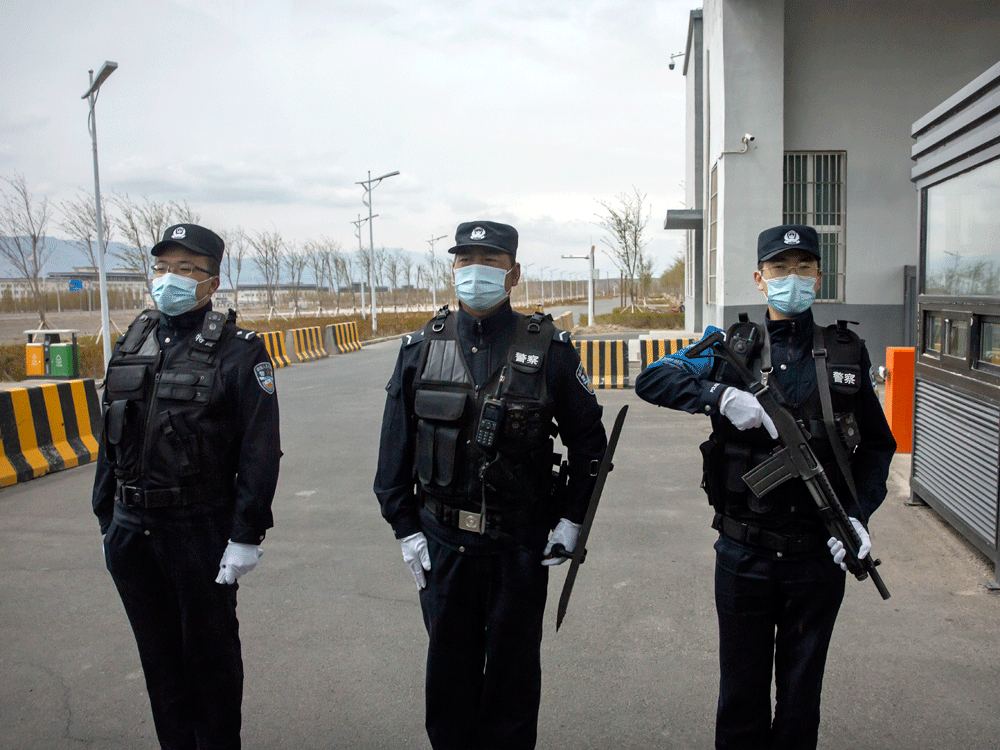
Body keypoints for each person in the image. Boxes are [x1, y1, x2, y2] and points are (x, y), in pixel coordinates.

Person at [634, 224, 896, 750]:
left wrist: (859, 518)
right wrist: (719, 397)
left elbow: (877, 447)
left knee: (801, 699)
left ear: (819, 276)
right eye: (779, 268)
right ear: (759, 278)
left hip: (817, 556)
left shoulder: (847, 351)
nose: (791, 278)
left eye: (803, 268)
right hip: (742, 553)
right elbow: (652, 378)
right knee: (741, 696)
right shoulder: (729, 345)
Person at [374, 220, 608, 750]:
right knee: (449, 685)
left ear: (514, 274)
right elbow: (393, 454)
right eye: (465, 260)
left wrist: (573, 520)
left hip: (518, 548)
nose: (475, 271)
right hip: (442, 544)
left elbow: (591, 446)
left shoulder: (550, 348)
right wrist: (405, 528)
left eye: (491, 261)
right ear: (452, 269)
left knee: (512, 687)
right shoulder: (418, 349)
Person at [92, 223, 281, 750]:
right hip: (132, 532)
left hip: (198, 531)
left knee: (210, 663)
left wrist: (246, 535)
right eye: (162, 267)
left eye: (185, 269)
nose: (169, 279)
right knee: (160, 665)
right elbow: (110, 433)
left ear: (211, 282)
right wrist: (106, 517)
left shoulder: (240, 352)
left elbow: (259, 451)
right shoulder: (134, 338)